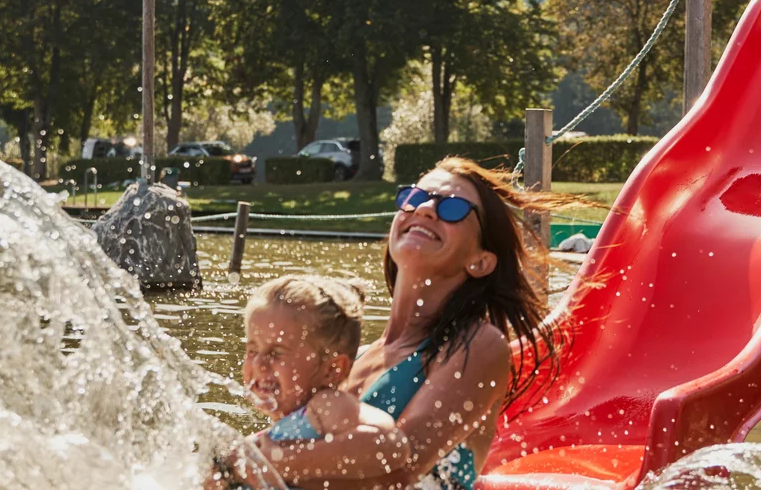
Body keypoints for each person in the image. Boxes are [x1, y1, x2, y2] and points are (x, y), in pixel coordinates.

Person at [226, 158, 596, 489]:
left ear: (480, 261)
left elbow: (404, 470)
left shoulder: (478, 344)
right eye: (415, 198)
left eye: (452, 208)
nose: (427, 209)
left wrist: (258, 458)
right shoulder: (350, 361)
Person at [219, 276, 405, 489]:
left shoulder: (324, 405)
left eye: (276, 353)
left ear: (332, 370)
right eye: (252, 351)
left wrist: (282, 461)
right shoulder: (263, 440)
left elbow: (390, 444)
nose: (259, 363)